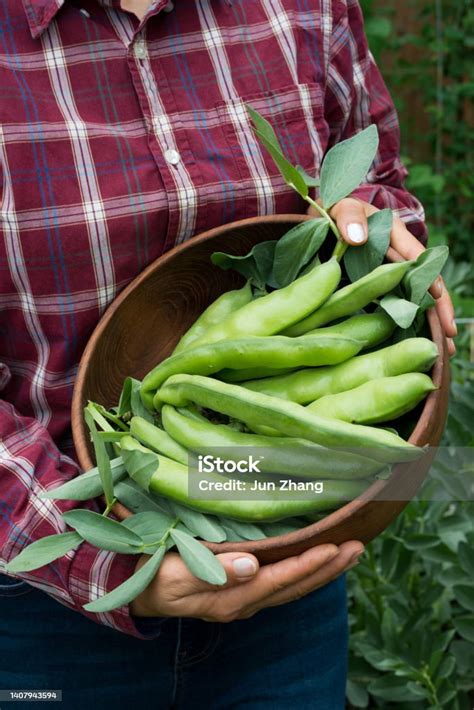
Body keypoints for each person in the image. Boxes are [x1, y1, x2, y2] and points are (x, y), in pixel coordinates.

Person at [0, 0, 456, 708]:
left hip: (286, 581)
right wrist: (111, 564)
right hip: (43, 609)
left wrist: (365, 226)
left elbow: (379, 186)